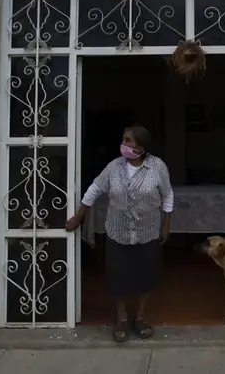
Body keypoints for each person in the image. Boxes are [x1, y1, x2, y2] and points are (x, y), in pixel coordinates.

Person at [65, 125, 173, 342]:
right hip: (118, 231)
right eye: (123, 140)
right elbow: (94, 189)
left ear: (141, 147)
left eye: (128, 141)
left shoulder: (158, 167)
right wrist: (79, 216)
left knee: (146, 274)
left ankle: (140, 317)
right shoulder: (114, 167)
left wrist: (166, 225)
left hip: (148, 231)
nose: (123, 145)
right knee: (118, 276)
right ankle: (122, 319)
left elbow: (168, 196)